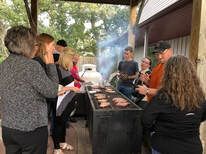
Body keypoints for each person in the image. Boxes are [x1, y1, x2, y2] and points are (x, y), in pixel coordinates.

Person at [0, 25, 63, 154]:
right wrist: (51, 65)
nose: (36, 46)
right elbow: (51, 91)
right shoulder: (31, 66)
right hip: (31, 131)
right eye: (34, 43)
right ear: (26, 45)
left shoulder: (3, 65)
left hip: (8, 129)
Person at [142, 55, 206, 154]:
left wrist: (156, 130)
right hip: (193, 148)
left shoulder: (162, 96)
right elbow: (202, 116)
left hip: (164, 147)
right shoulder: (200, 96)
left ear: (168, 74)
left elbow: (146, 120)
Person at [52, 48, 80, 154]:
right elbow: (54, 89)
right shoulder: (56, 69)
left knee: (63, 123)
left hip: (68, 102)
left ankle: (62, 142)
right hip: (61, 103)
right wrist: (71, 88)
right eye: (72, 58)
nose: (73, 61)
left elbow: (66, 82)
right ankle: (56, 148)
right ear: (66, 57)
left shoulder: (65, 68)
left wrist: (73, 83)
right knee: (58, 123)